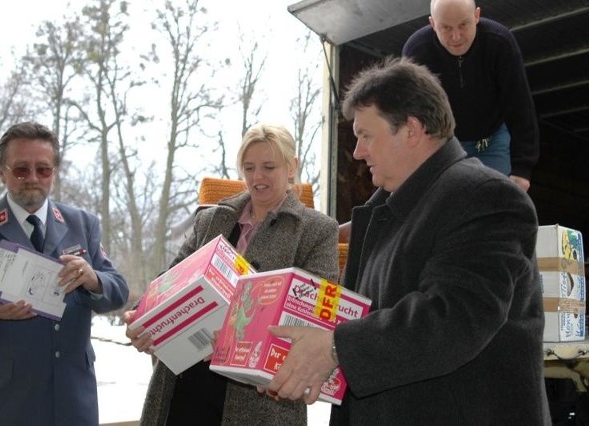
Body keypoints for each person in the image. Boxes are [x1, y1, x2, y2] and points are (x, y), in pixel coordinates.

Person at [266, 57, 550, 424]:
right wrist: (300, 357)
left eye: (366, 135)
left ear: (412, 130)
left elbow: (454, 318)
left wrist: (336, 349)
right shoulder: (385, 208)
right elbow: (368, 321)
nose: (357, 151)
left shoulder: (485, 196)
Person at [125, 123, 339, 425]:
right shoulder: (211, 219)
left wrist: (236, 340)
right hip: (184, 386)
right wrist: (143, 315)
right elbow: (172, 277)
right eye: (249, 167)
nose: (257, 177)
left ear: (292, 167)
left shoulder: (317, 230)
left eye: (268, 166)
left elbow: (313, 321)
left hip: (259, 401)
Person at [0, 122, 129, 426]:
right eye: (21, 169)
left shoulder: (82, 223)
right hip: (4, 402)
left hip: (73, 399)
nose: (32, 179)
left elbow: (118, 292)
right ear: (1, 171)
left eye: (43, 170)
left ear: (54, 172)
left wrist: (93, 279)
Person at [402, 0, 539, 193]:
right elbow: (411, 115)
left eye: (463, 25)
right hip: (444, 146)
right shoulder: (416, 51)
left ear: (477, 16)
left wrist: (522, 168)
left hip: (493, 141)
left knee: (494, 204)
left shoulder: (500, 43)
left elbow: (520, 107)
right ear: (433, 24)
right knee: (448, 207)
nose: (456, 36)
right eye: (446, 28)